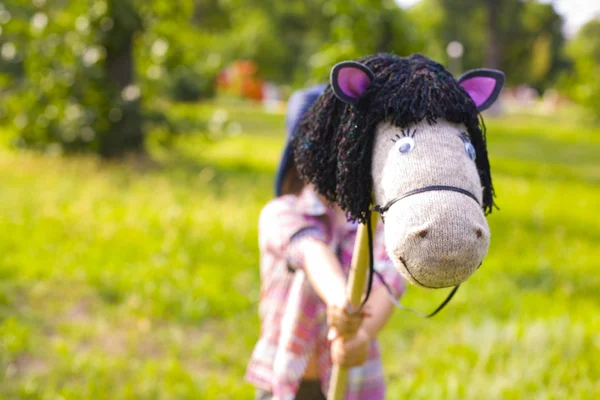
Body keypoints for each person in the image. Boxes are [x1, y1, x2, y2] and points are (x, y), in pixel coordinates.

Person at [245, 85, 405, 400]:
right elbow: (310, 250)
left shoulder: (373, 226)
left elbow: (388, 280)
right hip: (286, 382)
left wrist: (360, 333)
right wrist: (339, 301)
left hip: (352, 384)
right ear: (300, 157)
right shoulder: (281, 213)